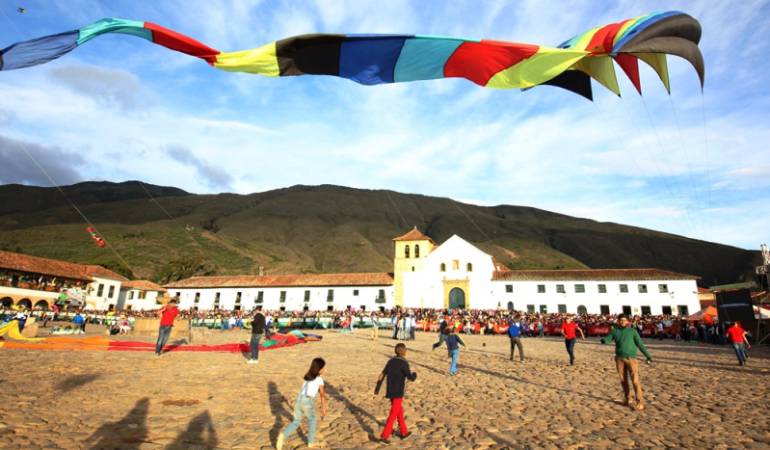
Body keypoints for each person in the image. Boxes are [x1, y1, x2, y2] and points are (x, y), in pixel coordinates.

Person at [601, 315, 652, 410]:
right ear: (618, 321)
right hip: (619, 358)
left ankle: (640, 402)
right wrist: (604, 340)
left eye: (624, 320)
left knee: (635, 381)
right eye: (621, 320)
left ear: (628, 321)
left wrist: (648, 355)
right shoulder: (614, 331)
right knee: (623, 380)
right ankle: (628, 399)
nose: (622, 322)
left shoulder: (632, 331)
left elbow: (640, 344)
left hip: (631, 359)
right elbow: (609, 338)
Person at [276, 357, 327, 450]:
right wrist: (323, 408)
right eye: (323, 368)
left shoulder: (307, 377)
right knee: (312, 420)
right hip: (307, 401)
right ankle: (311, 442)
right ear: (319, 369)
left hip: (299, 399)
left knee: (296, 421)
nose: (324, 369)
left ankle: (283, 435)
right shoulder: (319, 379)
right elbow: (322, 395)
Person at [375, 343, 417, 444]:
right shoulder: (404, 363)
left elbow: (382, 374)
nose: (406, 351)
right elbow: (410, 377)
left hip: (390, 391)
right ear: (403, 352)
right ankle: (384, 436)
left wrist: (377, 388)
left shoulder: (390, 361)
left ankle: (404, 432)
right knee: (393, 413)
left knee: (399, 411)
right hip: (398, 392)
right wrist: (414, 375)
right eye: (405, 350)